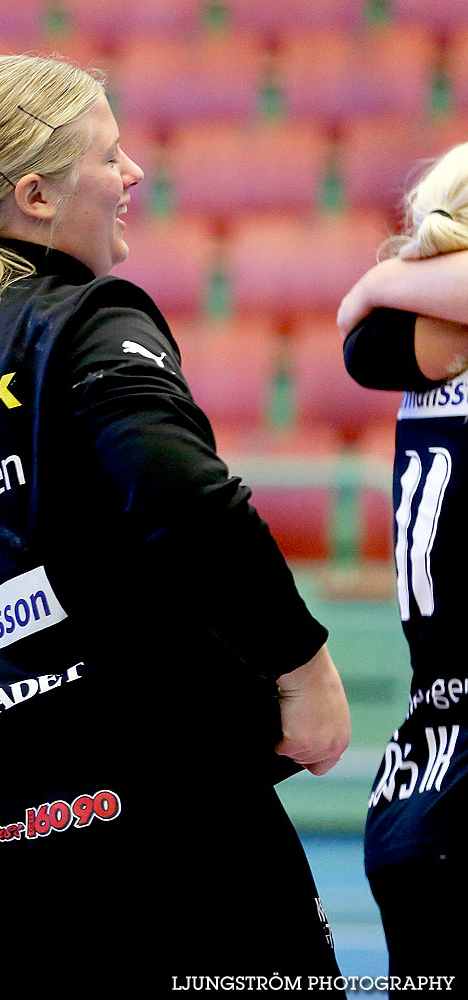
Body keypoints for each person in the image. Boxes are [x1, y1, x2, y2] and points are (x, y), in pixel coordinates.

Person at [0, 54, 348, 993]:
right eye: (111, 156)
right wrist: (306, 670)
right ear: (37, 195)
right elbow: (185, 499)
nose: (135, 176)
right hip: (151, 825)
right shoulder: (81, 319)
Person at [339, 141, 468, 984]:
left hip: (434, 738)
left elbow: (361, 327)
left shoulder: (401, 324)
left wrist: (376, 280)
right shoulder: (412, 336)